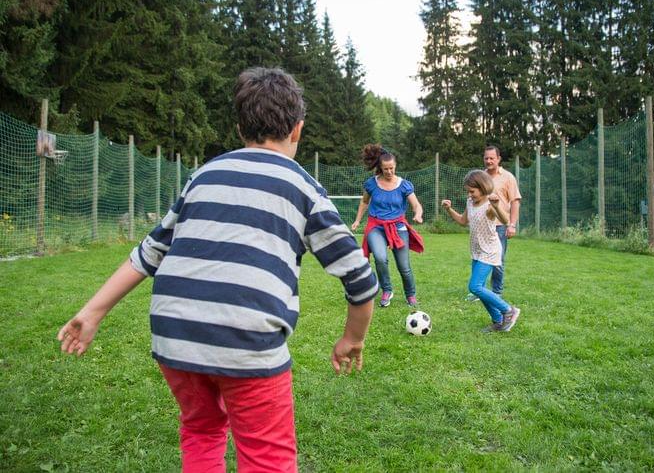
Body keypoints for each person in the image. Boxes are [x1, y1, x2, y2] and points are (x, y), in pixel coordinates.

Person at [57, 67, 378, 473]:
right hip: (247, 339)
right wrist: (353, 338)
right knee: (267, 457)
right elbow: (360, 278)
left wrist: (92, 312)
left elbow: (149, 251)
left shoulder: (203, 176)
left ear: (240, 126)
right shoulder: (304, 188)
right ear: (297, 130)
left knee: (202, 429)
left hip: (174, 336)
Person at [441, 170, 520, 333]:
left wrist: (498, 206)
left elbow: (505, 221)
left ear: (483, 188)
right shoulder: (470, 202)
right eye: (468, 191)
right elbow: (463, 221)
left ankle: (508, 310)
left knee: (475, 287)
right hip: (477, 251)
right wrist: (449, 209)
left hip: (490, 251)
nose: (469, 195)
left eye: (472, 191)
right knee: (480, 288)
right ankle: (498, 321)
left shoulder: (490, 205)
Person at [351, 144, 424, 308]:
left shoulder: (404, 185)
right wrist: (357, 220)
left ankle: (410, 294)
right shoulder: (371, 184)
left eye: (391, 168)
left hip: (398, 226)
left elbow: (416, 205)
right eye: (385, 169)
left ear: (395, 166)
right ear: (380, 168)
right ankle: (387, 290)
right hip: (375, 226)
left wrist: (418, 214)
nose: (389, 172)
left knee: (404, 266)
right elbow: (364, 202)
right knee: (380, 258)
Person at [479, 145, 522, 298]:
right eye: (486, 158)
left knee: (498, 260)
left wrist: (512, 224)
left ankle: (496, 292)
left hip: (500, 226)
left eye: (492, 158)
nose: (489, 161)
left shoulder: (508, 177)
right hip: (483, 225)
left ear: (498, 159)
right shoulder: (480, 177)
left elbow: (515, 201)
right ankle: (479, 291)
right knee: (480, 258)